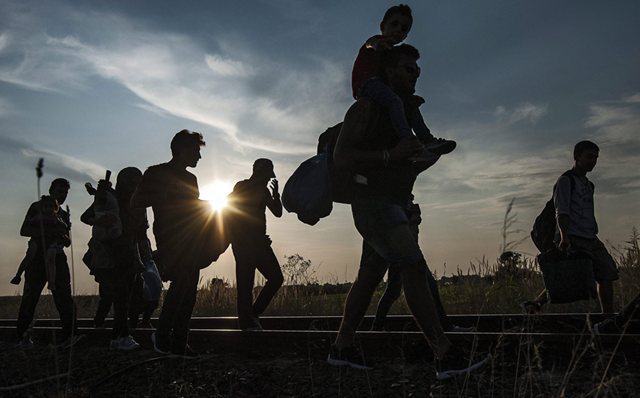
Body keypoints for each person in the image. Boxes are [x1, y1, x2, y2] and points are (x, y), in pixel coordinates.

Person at [328, 44, 490, 380]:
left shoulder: (402, 115)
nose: (415, 74)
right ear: (387, 71)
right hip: (374, 206)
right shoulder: (367, 108)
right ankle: (444, 355)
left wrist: (418, 162)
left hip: (392, 205)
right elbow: (342, 158)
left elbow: (401, 162)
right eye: (407, 68)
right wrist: (392, 155)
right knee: (413, 268)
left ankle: (341, 348)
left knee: (370, 277)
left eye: (417, 70)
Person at [131, 129, 212, 357]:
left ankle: (179, 342)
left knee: (189, 291)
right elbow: (136, 202)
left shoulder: (191, 179)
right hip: (169, 238)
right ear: (182, 150)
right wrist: (165, 194)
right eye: (196, 151)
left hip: (192, 237)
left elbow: (191, 208)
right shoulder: (156, 173)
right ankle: (162, 335)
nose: (199, 156)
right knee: (182, 282)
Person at [523, 141, 618, 314]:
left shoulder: (589, 185)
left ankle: (608, 317)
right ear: (577, 157)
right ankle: (537, 303)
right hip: (572, 236)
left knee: (606, 273)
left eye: (596, 158)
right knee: (571, 275)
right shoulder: (565, 181)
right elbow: (562, 211)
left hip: (590, 237)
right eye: (589, 157)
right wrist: (564, 237)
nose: (593, 161)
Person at [352, 4, 455, 157]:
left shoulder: (394, 54)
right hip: (367, 84)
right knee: (395, 101)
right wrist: (375, 44)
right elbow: (369, 43)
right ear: (382, 25)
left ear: (406, 35)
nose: (399, 30)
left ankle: (426, 139)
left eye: (404, 28)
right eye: (394, 24)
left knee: (409, 104)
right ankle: (408, 140)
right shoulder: (377, 43)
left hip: (383, 87)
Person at [371, 195, 474, 333]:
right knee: (410, 289)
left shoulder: (403, 204)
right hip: (403, 252)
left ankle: (376, 327)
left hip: (409, 252)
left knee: (395, 291)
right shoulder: (397, 205)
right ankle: (446, 327)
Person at [82, 167, 151, 351]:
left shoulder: (140, 203)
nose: (133, 184)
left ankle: (122, 334)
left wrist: (146, 254)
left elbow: (142, 232)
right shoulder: (109, 197)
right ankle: (120, 336)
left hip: (130, 254)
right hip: (111, 254)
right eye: (130, 180)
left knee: (130, 296)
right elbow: (86, 217)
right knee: (120, 297)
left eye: (137, 180)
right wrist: (101, 219)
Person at [16, 178, 80, 347]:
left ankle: (70, 336)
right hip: (37, 258)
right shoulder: (36, 207)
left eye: (65, 192)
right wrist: (50, 230)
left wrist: (62, 235)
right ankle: (22, 337)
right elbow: (24, 230)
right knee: (30, 298)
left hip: (57, 258)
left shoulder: (64, 214)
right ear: (51, 191)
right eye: (60, 192)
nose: (63, 195)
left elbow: (67, 242)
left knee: (64, 298)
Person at [227, 158, 284, 331]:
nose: (269, 179)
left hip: (258, 243)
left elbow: (278, 212)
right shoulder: (241, 187)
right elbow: (232, 214)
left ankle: (252, 315)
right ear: (260, 173)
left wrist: (276, 195)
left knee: (276, 278)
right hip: (245, 244)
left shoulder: (264, 191)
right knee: (245, 285)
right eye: (267, 175)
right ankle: (247, 322)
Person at [11, 196, 68, 289]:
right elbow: (28, 226)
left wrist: (57, 229)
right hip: (38, 240)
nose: (49, 209)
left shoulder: (56, 218)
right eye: (46, 206)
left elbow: (63, 227)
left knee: (51, 260)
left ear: (55, 208)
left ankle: (51, 282)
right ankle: (18, 275)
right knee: (29, 255)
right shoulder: (39, 217)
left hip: (51, 242)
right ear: (42, 208)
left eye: (51, 206)